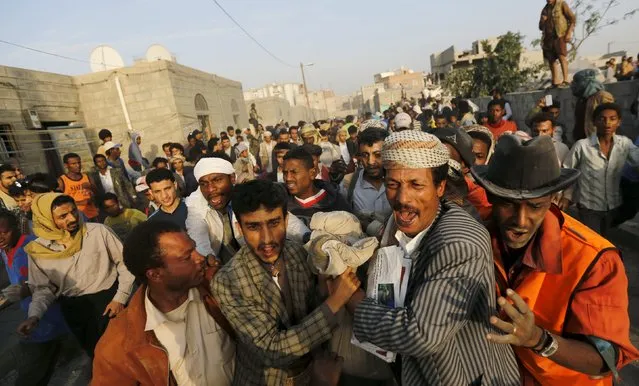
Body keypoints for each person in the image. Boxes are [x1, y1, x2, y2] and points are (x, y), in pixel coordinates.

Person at [349, 130, 520, 385]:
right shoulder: (401, 223)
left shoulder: (460, 242)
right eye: (394, 185)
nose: (403, 198)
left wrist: (352, 299)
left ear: (440, 187)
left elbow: (420, 334)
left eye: (416, 185)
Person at [471, 134, 639, 385]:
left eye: (535, 206)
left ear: (553, 199)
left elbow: (605, 358)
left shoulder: (594, 259)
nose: (521, 220)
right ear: (490, 197)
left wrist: (538, 339)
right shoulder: (478, 234)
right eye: (508, 203)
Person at [213, 179, 361, 385]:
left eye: (274, 223)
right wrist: (335, 301)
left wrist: (323, 288)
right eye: (254, 226)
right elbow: (272, 350)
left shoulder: (296, 253)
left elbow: (309, 311)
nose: (266, 239)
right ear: (239, 228)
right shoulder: (227, 281)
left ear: (285, 220)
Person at [93, 220, 236, 385]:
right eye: (187, 257)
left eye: (194, 248)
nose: (200, 258)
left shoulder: (218, 288)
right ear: (155, 275)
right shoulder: (120, 341)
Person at [17, 193, 135, 357]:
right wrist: (34, 316)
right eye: (63, 216)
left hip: (109, 303)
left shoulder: (98, 232)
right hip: (76, 311)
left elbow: (125, 263)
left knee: (126, 354)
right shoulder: (37, 250)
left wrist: (120, 298)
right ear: (47, 219)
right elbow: (43, 290)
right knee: (98, 358)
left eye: (73, 211)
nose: (72, 218)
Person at [185, 155, 308, 265]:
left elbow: (284, 220)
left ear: (232, 178)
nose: (210, 189)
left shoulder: (246, 194)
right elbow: (198, 236)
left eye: (217, 180)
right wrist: (209, 259)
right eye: (204, 184)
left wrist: (308, 238)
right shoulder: (194, 205)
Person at [0, 209, 69, 385]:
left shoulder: (32, 248)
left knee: (30, 375)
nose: (0, 237)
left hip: (47, 319)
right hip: (33, 318)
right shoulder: (5, 250)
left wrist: (24, 291)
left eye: (4, 231)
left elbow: (49, 282)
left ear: (16, 227)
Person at [561, 103, 639, 236]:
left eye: (612, 118)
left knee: (607, 245)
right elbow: (567, 171)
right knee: (594, 243)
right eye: (602, 119)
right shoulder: (582, 146)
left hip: (614, 206)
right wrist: (565, 197)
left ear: (618, 122)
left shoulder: (624, 144)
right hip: (589, 207)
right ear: (594, 122)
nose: (607, 123)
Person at [340, 127, 391, 236]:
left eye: (378, 155)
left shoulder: (401, 182)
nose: (370, 162)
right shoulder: (348, 184)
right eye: (365, 155)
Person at [283, 147, 352, 226]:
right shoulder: (281, 202)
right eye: (285, 173)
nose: (288, 178)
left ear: (312, 173)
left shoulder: (337, 203)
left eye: (294, 172)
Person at [571, 69, 615, 141]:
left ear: (585, 82)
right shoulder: (580, 98)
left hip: (597, 140)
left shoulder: (602, 96)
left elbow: (610, 120)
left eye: (577, 82)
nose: (574, 85)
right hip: (580, 139)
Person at [539, 0, 576, 87]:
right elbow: (540, 27)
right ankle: (555, 81)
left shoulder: (561, 4)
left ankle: (566, 79)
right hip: (548, 38)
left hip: (559, 35)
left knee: (561, 56)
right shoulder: (545, 9)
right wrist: (543, 21)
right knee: (551, 60)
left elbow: (572, 19)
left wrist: (569, 33)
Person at [58, 153, 99, 221]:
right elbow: (59, 202)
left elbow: (97, 194)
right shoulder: (62, 181)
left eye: (79, 162)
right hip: (76, 218)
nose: (78, 165)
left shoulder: (87, 176)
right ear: (66, 165)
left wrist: (91, 187)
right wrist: (81, 202)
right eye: (73, 164)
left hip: (92, 215)